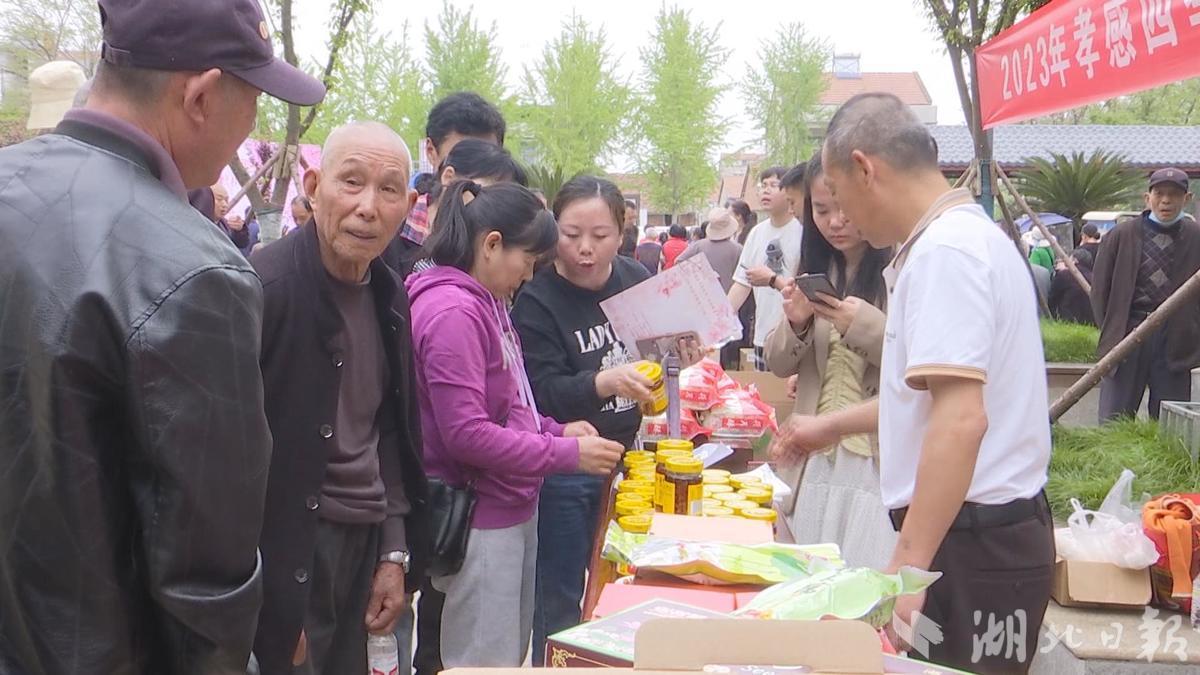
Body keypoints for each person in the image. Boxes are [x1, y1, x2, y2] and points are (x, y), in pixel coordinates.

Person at [0, 0, 324, 671]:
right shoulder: (197, 271)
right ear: (202, 95)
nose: (252, 126)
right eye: (254, 98)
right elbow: (208, 586)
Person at [775, 93, 1053, 674]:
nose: (839, 215)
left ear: (865, 169)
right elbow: (922, 404)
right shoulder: (963, 238)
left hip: (973, 540)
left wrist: (907, 565)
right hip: (981, 533)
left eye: (837, 192)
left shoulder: (946, 254)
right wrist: (828, 426)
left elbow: (961, 420)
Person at [407, 181, 623, 667]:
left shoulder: (487, 303)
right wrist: (565, 455)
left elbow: (513, 405)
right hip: (484, 513)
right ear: (491, 244)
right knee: (483, 660)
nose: (528, 275)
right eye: (527, 260)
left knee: (503, 653)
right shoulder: (453, 313)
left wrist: (554, 429)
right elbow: (467, 434)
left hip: (512, 503)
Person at [249, 122, 430, 675]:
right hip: (288, 551)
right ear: (312, 185)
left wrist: (393, 554)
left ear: (411, 205)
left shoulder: (389, 291)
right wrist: (271, 603)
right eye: (350, 183)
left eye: (389, 190)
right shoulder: (260, 287)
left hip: (364, 542)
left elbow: (389, 433)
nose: (367, 207)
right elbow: (225, 464)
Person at [510, 176, 655, 664]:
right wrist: (604, 381)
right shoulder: (536, 298)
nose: (585, 249)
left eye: (600, 235)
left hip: (630, 460)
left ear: (622, 230)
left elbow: (659, 360)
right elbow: (542, 392)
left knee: (623, 587)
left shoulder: (636, 280)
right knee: (559, 593)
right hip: (567, 469)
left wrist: (679, 355)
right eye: (571, 235)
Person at [763, 153, 894, 569]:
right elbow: (779, 363)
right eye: (821, 210)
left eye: (843, 207)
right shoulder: (813, 268)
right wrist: (797, 322)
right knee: (810, 581)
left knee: (867, 586)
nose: (835, 221)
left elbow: (919, 371)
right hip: (814, 458)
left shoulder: (900, 270)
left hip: (874, 461)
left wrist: (864, 324)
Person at [1092, 168, 1200, 421]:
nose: (1166, 201)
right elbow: (1100, 289)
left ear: (1187, 199)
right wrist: (1113, 326)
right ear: (1146, 197)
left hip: (1175, 337)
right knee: (1114, 417)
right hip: (1127, 332)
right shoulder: (1122, 235)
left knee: (1171, 422)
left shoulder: (1196, 238)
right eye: (1159, 193)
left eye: (1174, 195)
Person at [387, 92, 507, 266]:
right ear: (431, 151)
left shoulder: (506, 240)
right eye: (462, 157)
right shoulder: (390, 224)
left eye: (487, 160)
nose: (476, 174)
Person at [397, 138, 527, 278]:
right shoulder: (394, 224)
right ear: (448, 177)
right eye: (486, 192)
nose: (494, 207)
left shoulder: (486, 249)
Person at [727, 167, 803, 371]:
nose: (766, 191)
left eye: (774, 185)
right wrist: (719, 322)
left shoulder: (802, 232)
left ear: (789, 192)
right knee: (765, 398)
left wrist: (772, 279)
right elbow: (742, 284)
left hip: (796, 338)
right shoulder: (757, 233)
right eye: (763, 186)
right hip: (763, 337)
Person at [678, 208, 745, 370]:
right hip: (729, 301)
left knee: (702, 342)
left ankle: (702, 370)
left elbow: (678, 262)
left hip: (700, 301)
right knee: (724, 342)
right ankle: (721, 369)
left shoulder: (699, 246)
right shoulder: (737, 249)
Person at [1049, 223, 1101, 326]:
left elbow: (1053, 298)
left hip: (1068, 316)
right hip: (1092, 315)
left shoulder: (1066, 274)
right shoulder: (1102, 249)